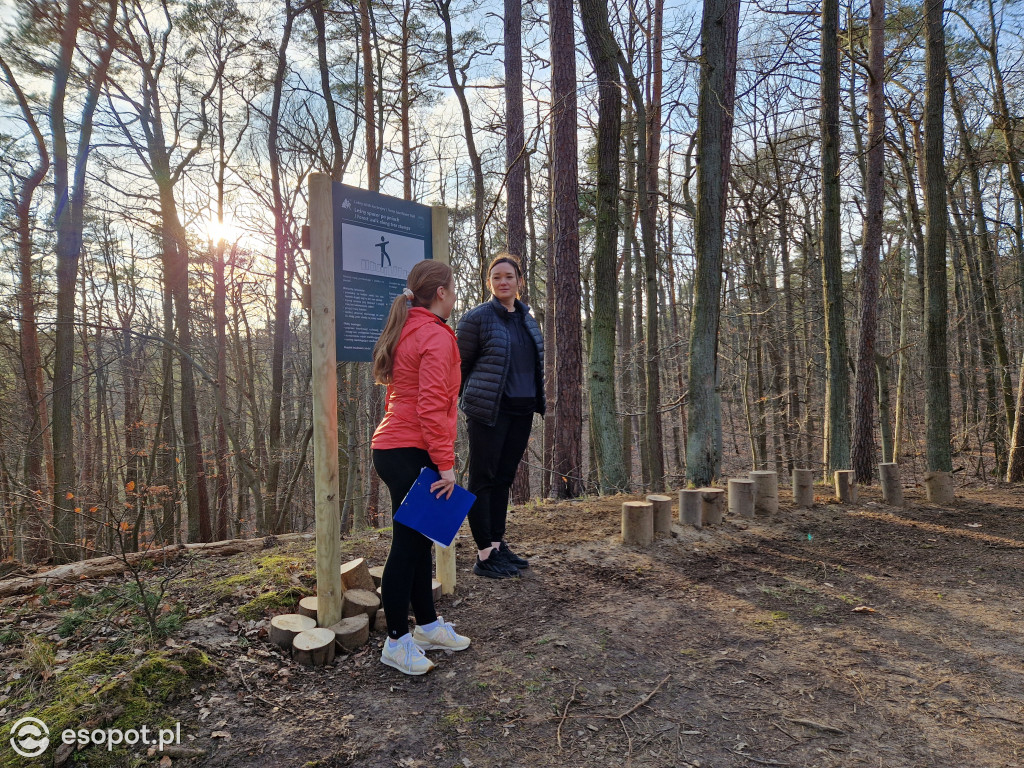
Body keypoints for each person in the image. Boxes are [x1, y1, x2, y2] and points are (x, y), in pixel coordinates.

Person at [371, 259, 470, 675]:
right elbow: (431, 406)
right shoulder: (433, 334)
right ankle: (396, 641)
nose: (455, 294)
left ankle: (427, 626)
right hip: (409, 449)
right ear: (442, 293)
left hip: (398, 448)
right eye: (453, 288)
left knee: (420, 541)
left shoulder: (408, 326)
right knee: (408, 547)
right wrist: (446, 466)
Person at [457, 253, 545, 579]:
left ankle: (496, 542)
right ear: (489, 283)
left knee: (504, 480)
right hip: (488, 412)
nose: (503, 282)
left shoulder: (527, 319)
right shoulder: (477, 318)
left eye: (508, 276)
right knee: (483, 480)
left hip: (521, 412)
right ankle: (483, 555)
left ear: (519, 281)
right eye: (496, 277)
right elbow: (458, 367)